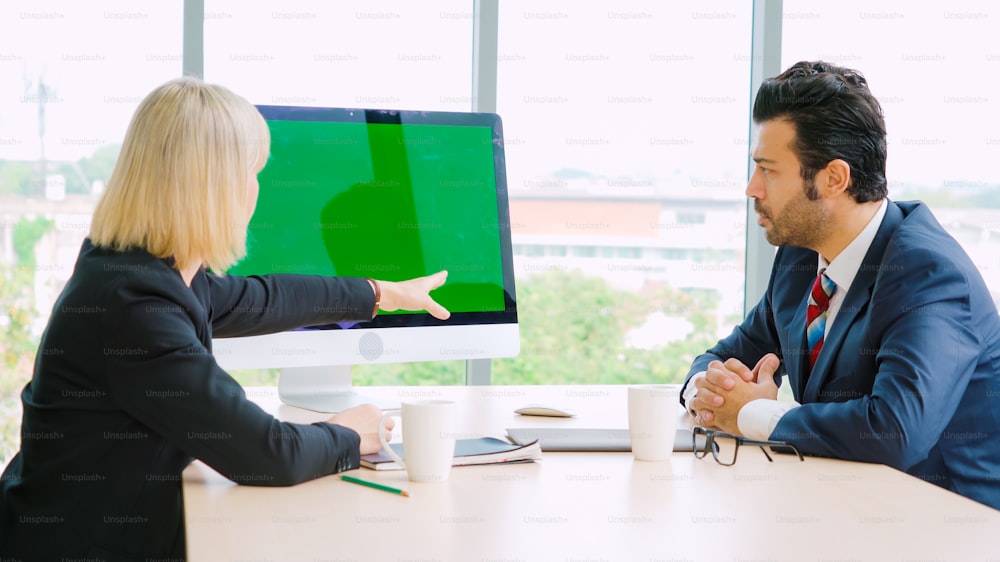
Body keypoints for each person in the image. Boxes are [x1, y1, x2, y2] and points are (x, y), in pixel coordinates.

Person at [0, 77, 452, 560]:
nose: (257, 190)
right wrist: (349, 435)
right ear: (215, 187)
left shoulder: (141, 267)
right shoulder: (137, 308)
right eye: (252, 172)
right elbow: (265, 454)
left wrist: (378, 292)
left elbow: (261, 298)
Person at [683, 61, 1000, 510]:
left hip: (948, 528)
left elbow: (894, 431)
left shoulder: (927, 273)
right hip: (846, 509)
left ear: (834, 178)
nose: (752, 188)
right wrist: (705, 387)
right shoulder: (800, 256)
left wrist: (752, 413)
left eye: (768, 170)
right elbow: (727, 355)